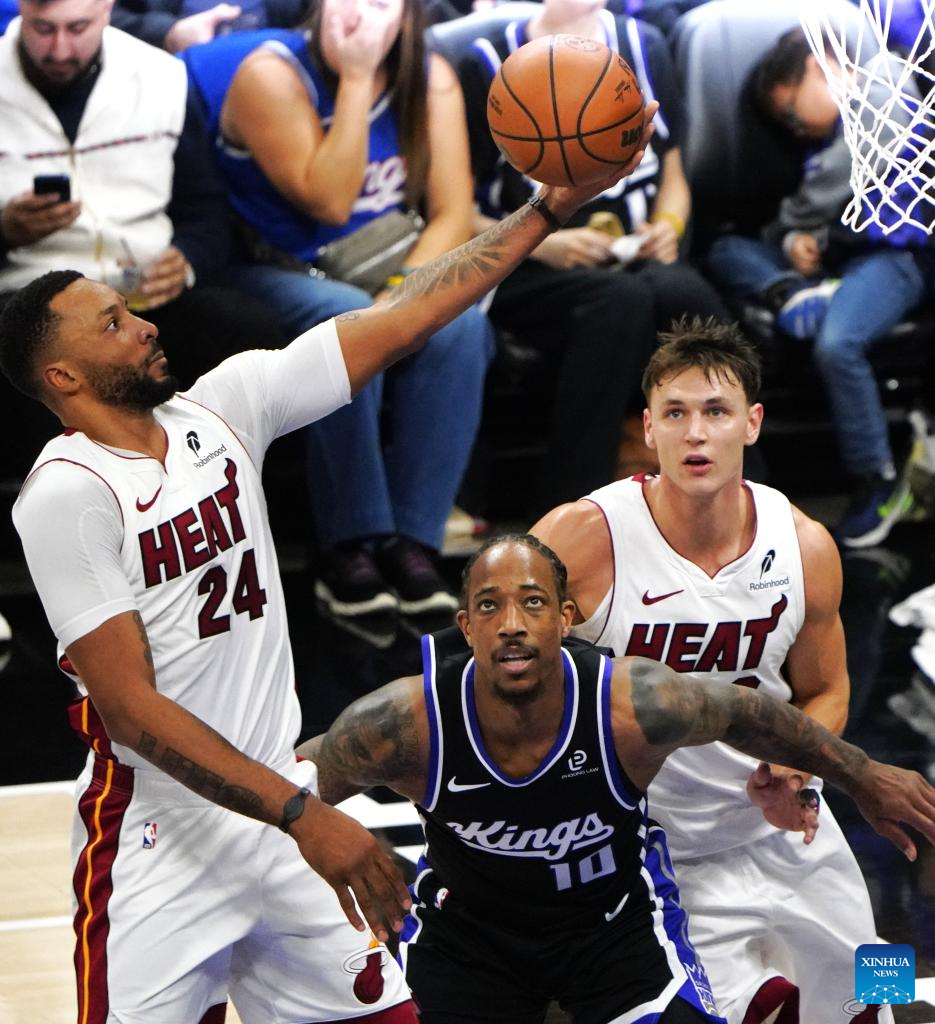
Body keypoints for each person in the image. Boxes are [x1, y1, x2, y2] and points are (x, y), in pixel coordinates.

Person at [0, 139, 654, 1020]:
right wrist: (305, 815)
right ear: (64, 376)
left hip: (278, 820)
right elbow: (131, 711)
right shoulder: (67, 494)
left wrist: (546, 210)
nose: (145, 324)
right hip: (161, 842)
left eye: (131, 310)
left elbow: (407, 314)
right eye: (113, 324)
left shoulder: (224, 407)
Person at [298, 533, 935, 1024]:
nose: (512, 622)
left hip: (749, 839)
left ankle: (886, 1003)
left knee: (868, 984)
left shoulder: (796, 544)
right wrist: (312, 825)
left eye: (531, 603)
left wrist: (862, 774)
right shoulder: (406, 721)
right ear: (466, 627)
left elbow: (772, 706)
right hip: (493, 927)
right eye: (490, 606)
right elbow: (291, 780)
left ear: (565, 617)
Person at [530, 318, 895, 1024]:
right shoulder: (581, 537)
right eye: (675, 413)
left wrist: (797, 766)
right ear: (648, 428)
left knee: (876, 998)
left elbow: (827, 689)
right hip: (653, 847)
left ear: (751, 423)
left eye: (716, 412)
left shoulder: (804, 544)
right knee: (747, 1013)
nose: (695, 434)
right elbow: (498, 681)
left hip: (788, 825)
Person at [183, 0, 494, 619]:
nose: (355, 14)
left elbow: (453, 215)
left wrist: (406, 292)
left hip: (382, 267)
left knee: (459, 322)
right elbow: (330, 199)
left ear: (406, 17)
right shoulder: (270, 74)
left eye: (377, 3)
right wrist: (356, 78)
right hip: (273, 268)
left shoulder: (429, 76)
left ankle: (414, 542)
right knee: (348, 321)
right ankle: (349, 545)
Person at [455, 0, 729, 516]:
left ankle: (739, 491)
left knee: (684, 293)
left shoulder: (644, 45)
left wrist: (667, 228)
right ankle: (570, 506)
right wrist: (542, 240)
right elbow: (454, 210)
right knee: (618, 302)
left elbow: (674, 175)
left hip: (630, 254)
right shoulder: (485, 62)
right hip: (525, 264)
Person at [0, 0, 286, 478]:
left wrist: (188, 260)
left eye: (77, 28)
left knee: (249, 332)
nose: (60, 49)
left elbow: (206, 209)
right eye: (43, 29)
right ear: (21, 11)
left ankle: (243, 494)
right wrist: (5, 232)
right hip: (29, 297)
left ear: (107, 10)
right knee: (31, 351)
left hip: (145, 288)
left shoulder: (161, 77)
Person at [705, 26, 930, 548]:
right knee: (724, 248)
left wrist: (801, 235)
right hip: (832, 258)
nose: (796, 129)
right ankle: (791, 292)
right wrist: (794, 245)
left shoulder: (885, 86)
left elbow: (844, 189)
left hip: (894, 255)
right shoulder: (822, 139)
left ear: (816, 66)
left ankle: (877, 477)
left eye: (790, 113)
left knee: (837, 345)